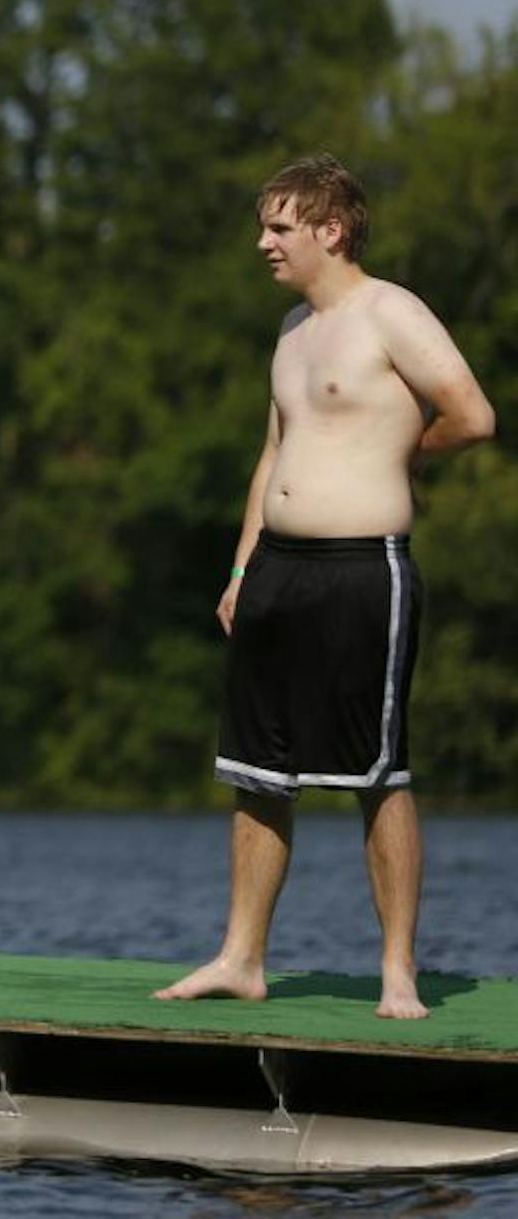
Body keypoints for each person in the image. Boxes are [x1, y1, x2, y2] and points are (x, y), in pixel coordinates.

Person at [156, 154, 494, 1019]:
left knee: (377, 773)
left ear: (330, 230)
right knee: (257, 772)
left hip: (361, 573)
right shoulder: (290, 330)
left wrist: (394, 451)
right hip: (277, 574)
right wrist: (241, 569)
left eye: (279, 226)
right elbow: (272, 454)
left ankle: (398, 973)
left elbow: (473, 414)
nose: (262, 242)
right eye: (263, 225)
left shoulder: (391, 312)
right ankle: (241, 958)